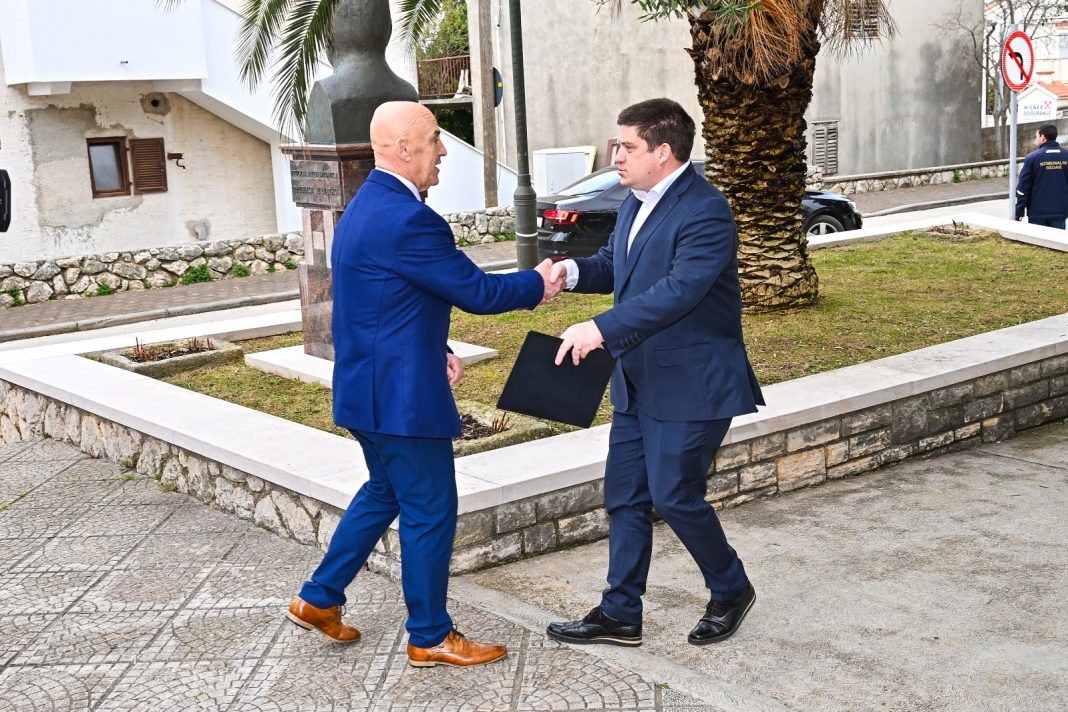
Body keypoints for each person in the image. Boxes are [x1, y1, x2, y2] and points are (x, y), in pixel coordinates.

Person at [286, 101, 563, 667]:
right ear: (403, 148)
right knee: (430, 509)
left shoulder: (363, 206)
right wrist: (537, 283)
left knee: (384, 492)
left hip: (366, 390)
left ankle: (319, 598)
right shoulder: (410, 219)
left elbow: (383, 301)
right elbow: (479, 293)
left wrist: (437, 348)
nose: (442, 151)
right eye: (436, 139)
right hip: (402, 401)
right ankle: (430, 634)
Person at [545, 98, 764, 647]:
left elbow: (680, 290)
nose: (616, 156)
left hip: (693, 382)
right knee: (624, 495)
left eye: (627, 147)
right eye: (617, 145)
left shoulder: (706, 209)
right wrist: (570, 272)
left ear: (663, 152)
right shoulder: (635, 201)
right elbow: (616, 266)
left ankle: (732, 587)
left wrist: (599, 329)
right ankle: (620, 613)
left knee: (674, 496)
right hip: (637, 380)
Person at [1015, 124, 1068, 229]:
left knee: (1038, 239)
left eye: (1037, 136)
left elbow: (1023, 188)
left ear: (1043, 137)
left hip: (1037, 213)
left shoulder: (1032, 158)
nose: (1036, 139)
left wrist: (1019, 211)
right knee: (1057, 239)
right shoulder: (1066, 156)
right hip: (1060, 212)